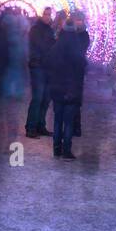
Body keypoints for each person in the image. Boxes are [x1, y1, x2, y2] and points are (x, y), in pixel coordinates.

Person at [47, 10, 90, 159]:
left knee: (58, 120)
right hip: (72, 90)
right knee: (69, 121)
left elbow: (49, 65)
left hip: (57, 89)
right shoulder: (77, 49)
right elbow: (83, 65)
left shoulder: (55, 48)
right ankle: (66, 150)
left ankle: (56, 149)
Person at [24, 8, 56, 138]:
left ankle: (40, 125)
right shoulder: (35, 29)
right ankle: (31, 127)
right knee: (37, 97)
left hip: (48, 67)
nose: (47, 17)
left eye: (49, 15)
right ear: (41, 15)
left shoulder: (50, 30)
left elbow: (50, 45)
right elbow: (41, 46)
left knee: (46, 98)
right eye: (46, 14)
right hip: (37, 66)